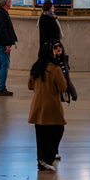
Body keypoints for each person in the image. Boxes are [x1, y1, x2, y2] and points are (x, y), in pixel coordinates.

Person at [28, 42, 67, 172]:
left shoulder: (35, 67)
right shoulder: (55, 69)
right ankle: (47, 158)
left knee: (41, 135)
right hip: (51, 105)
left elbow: (30, 85)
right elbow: (63, 87)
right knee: (58, 130)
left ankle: (41, 161)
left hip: (37, 104)